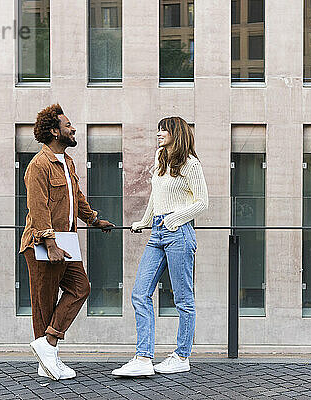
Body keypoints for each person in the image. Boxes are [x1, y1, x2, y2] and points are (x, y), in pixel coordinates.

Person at [20, 104, 114, 380]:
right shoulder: (39, 165)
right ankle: (48, 361)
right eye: (68, 125)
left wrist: (94, 220)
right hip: (42, 241)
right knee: (44, 304)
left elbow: (76, 198)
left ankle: (47, 346)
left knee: (80, 288)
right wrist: (49, 244)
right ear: (54, 131)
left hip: (67, 239)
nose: (73, 129)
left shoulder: (67, 162)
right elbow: (38, 208)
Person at [112, 116, 209, 377]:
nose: (158, 134)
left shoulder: (191, 164)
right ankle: (143, 358)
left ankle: (181, 356)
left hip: (179, 233)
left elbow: (202, 203)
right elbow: (156, 195)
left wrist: (173, 219)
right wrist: (144, 221)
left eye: (163, 130)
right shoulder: (160, 159)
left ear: (176, 133)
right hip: (157, 232)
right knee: (140, 293)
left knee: (183, 299)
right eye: (158, 130)